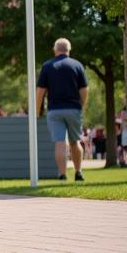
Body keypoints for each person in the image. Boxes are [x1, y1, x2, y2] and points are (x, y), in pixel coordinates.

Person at [36, 37, 87, 182]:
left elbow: (40, 91)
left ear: (55, 50)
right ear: (69, 50)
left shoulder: (47, 66)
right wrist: (81, 105)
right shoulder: (77, 65)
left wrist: (37, 110)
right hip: (73, 109)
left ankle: (62, 174)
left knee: (60, 142)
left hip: (55, 110)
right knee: (75, 141)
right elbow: (84, 90)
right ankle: (78, 172)